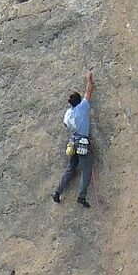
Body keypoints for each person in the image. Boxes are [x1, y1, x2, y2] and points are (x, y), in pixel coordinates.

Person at [53, 70, 94, 207]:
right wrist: (88, 79)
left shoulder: (68, 113)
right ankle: (81, 197)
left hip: (73, 141)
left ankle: (58, 192)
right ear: (79, 101)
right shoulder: (82, 108)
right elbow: (88, 92)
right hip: (82, 141)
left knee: (71, 168)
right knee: (86, 169)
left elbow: (65, 125)